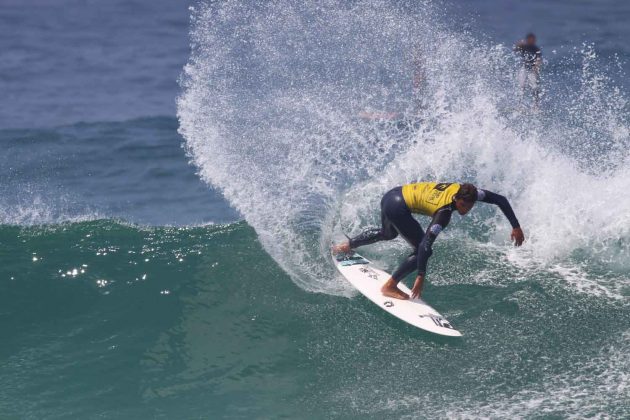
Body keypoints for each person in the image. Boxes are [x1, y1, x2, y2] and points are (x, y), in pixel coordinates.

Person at [332, 182, 524, 300]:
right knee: (422, 250)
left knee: (388, 233)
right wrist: (420, 275)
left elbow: (500, 199)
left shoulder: (468, 192)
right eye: (463, 205)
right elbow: (425, 245)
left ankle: (346, 246)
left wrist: (515, 226)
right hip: (398, 207)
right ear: (456, 199)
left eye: (470, 206)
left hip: (392, 195)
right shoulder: (444, 212)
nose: (466, 209)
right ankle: (390, 286)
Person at [514, 33, 542, 108]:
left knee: (534, 87)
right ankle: (519, 104)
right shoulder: (524, 47)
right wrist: (519, 44)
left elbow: (539, 60)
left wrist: (536, 68)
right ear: (528, 39)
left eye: (533, 40)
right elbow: (515, 49)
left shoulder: (536, 49)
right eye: (531, 39)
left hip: (532, 70)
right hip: (523, 68)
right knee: (521, 86)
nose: (532, 41)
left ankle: (536, 105)